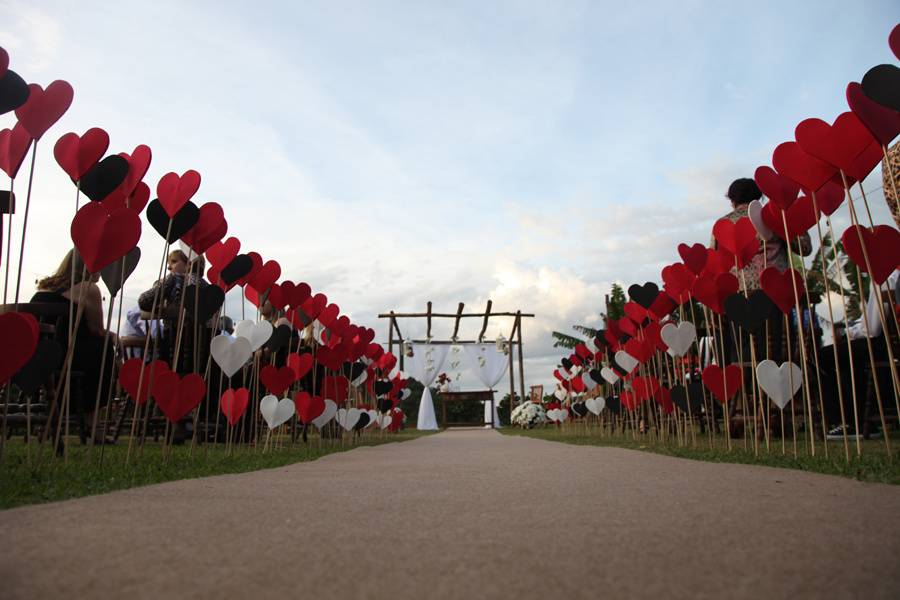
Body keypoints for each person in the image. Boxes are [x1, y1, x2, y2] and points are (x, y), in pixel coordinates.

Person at [712, 178, 812, 365]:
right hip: (775, 296)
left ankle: (747, 390)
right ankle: (779, 390)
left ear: (732, 200)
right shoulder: (773, 215)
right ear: (760, 196)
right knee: (777, 355)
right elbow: (805, 247)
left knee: (743, 357)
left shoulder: (722, 224)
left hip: (738, 300)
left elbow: (715, 267)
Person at [31, 249, 118, 443]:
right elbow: (96, 329)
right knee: (104, 349)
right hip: (71, 356)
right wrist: (113, 337)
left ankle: (47, 419)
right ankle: (92, 422)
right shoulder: (88, 288)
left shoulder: (44, 290)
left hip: (41, 356)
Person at [822, 269, 899, 440]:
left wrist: (849, 333)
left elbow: (872, 328)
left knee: (824, 356)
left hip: (884, 345)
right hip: (889, 344)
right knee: (846, 352)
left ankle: (847, 420)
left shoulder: (886, 275)